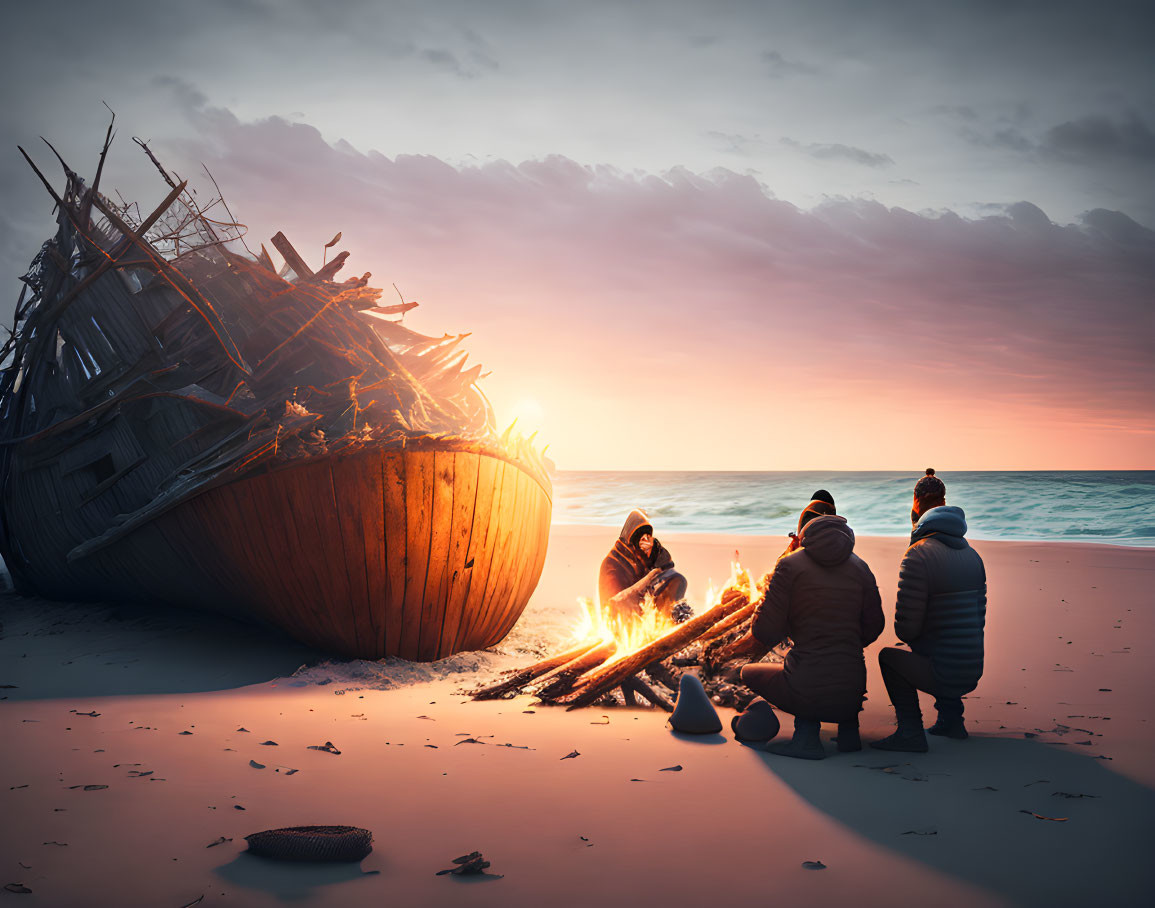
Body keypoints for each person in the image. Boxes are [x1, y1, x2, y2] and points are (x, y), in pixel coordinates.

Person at [721, 500, 884, 760]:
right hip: (852, 689)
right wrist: (845, 642)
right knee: (836, 671)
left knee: (749, 672)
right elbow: (875, 627)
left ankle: (806, 737)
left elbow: (764, 631)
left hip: (808, 687)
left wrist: (777, 613)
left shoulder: (790, 566)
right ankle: (849, 733)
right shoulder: (861, 567)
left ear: (803, 534)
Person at [872, 469, 987, 752]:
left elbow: (906, 629)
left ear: (915, 501)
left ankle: (910, 732)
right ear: (945, 500)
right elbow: (977, 618)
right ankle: (952, 721)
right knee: (945, 635)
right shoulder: (972, 554)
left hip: (944, 671)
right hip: (972, 668)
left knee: (889, 657)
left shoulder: (919, 554)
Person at [599, 509, 689, 621]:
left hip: (642, 610)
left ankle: (678, 618)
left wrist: (656, 549)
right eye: (641, 538)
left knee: (677, 579)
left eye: (647, 537)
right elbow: (614, 604)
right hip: (620, 620)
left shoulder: (645, 554)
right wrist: (649, 577)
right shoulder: (613, 563)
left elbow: (667, 566)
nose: (646, 542)